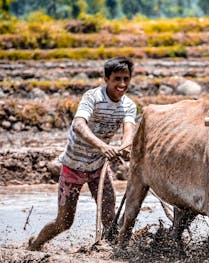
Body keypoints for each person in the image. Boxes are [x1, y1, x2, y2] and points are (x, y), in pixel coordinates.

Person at [28, 57, 137, 251]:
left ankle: (107, 252)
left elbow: (128, 131)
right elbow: (79, 125)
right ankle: (35, 245)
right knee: (64, 222)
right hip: (73, 166)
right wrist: (103, 146)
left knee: (110, 218)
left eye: (126, 79)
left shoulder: (128, 105)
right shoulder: (92, 97)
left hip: (98, 168)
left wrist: (125, 147)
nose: (122, 84)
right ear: (106, 79)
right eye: (117, 79)